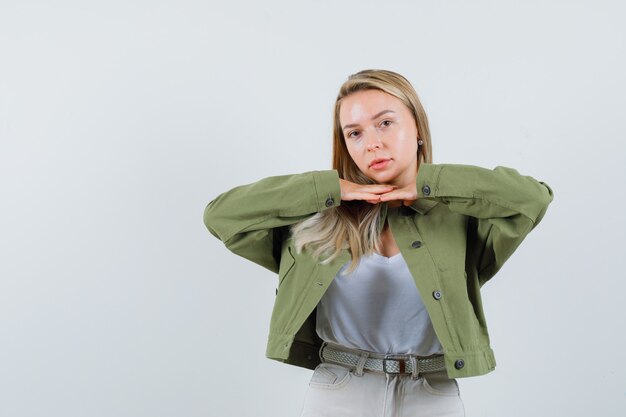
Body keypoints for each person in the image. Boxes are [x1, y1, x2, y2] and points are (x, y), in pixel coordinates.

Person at [203, 69, 553, 417]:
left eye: (385, 123)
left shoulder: (460, 216)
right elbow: (221, 216)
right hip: (339, 390)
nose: (371, 143)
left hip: (432, 392)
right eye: (354, 133)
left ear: (417, 126)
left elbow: (532, 198)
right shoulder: (318, 218)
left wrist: (430, 185)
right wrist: (330, 190)